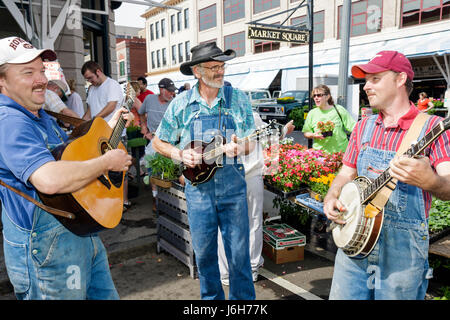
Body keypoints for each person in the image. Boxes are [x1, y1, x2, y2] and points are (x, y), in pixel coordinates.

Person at [0, 36, 133, 299]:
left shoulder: (38, 115)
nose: (41, 80)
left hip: (79, 232)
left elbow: (73, 157)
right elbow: (49, 180)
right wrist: (107, 162)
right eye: (28, 73)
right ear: (1, 81)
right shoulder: (10, 121)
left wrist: (109, 129)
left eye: (41, 71)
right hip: (46, 246)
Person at [323, 50, 450, 300]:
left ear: (400, 79)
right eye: (366, 80)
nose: (366, 86)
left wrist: (431, 181)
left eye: (375, 79)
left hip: (402, 253)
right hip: (353, 243)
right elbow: (346, 173)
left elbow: (448, 186)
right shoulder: (362, 126)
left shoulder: (433, 127)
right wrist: (331, 197)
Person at [152, 42, 256, 300]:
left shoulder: (238, 99)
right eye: (213, 67)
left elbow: (250, 142)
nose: (220, 72)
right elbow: (158, 141)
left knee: (239, 256)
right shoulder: (181, 104)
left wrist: (239, 147)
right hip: (198, 192)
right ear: (197, 72)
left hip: (233, 190)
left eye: (222, 66)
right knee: (205, 256)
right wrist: (179, 153)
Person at [218, 112, 295, 285]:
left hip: (226, 177)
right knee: (253, 221)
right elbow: (269, 136)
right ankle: (251, 268)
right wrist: (284, 131)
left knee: (225, 224)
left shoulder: (215, 117)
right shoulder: (250, 115)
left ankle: (226, 272)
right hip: (250, 175)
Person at [81, 61, 131, 209]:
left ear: (98, 71)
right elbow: (89, 110)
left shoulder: (112, 84)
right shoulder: (91, 89)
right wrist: (82, 123)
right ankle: (109, 202)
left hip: (115, 132)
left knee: (120, 169)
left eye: (91, 77)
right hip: (98, 134)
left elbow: (111, 106)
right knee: (103, 170)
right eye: (87, 79)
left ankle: (124, 201)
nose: (90, 81)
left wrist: (95, 120)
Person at [138, 77, 176, 211]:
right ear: (161, 90)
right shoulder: (149, 99)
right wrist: (144, 127)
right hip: (152, 140)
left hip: (168, 140)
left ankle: (169, 197)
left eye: (173, 92)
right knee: (152, 170)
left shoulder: (173, 103)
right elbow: (141, 113)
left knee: (167, 170)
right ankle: (155, 198)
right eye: (170, 91)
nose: (172, 94)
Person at [302, 84, 356, 154]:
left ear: (327, 97)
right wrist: (313, 135)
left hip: (340, 152)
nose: (316, 98)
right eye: (314, 96)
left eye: (319, 95)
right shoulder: (312, 113)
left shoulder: (339, 109)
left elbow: (353, 127)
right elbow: (306, 132)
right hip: (320, 154)